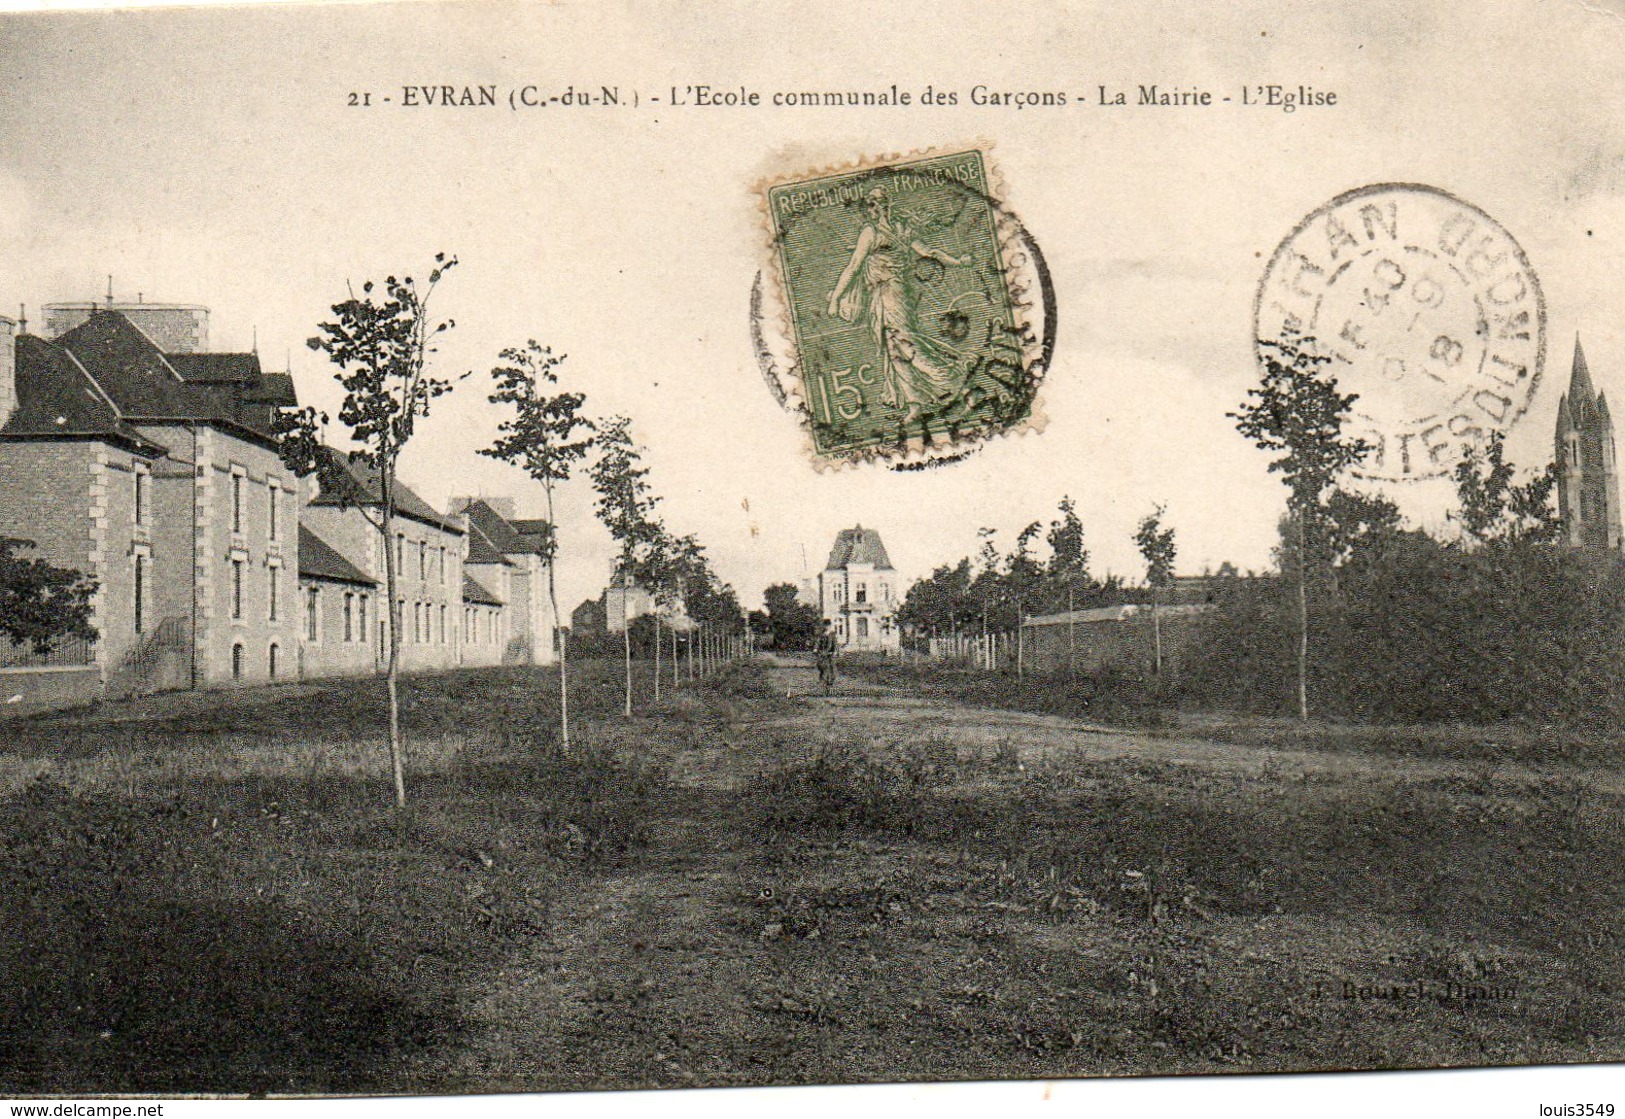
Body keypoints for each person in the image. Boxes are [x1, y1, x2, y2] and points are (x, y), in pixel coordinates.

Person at [826, 186, 971, 419]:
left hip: (891, 296)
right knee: (894, 349)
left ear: (884, 206)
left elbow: (853, 267)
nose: (872, 210)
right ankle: (915, 404)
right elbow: (929, 252)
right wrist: (957, 261)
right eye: (870, 205)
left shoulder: (872, 232)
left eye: (874, 204)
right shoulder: (901, 228)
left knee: (907, 344)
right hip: (891, 295)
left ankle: (958, 384)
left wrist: (835, 298)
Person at [815, 623, 837, 693]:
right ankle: (823, 683)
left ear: (830, 627)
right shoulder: (821, 635)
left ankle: (830, 683)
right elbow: (817, 642)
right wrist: (815, 648)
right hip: (822, 654)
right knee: (823, 668)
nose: (827, 627)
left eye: (828, 626)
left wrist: (834, 651)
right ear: (824, 626)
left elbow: (835, 644)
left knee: (832, 669)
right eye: (826, 626)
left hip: (830, 654)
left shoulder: (832, 635)